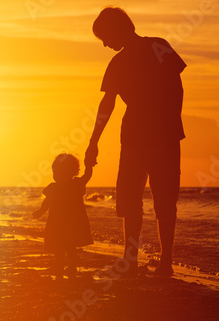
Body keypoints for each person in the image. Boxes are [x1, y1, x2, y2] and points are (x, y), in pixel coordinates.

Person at [85, 7, 186, 277]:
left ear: (119, 28)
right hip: (132, 137)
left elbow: (177, 86)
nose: (105, 44)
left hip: (163, 136)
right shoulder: (117, 63)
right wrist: (93, 141)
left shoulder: (158, 46)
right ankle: (130, 259)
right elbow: (106, 105)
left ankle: (166, 261)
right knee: (131, 200)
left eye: (105, 37)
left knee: (164, 199)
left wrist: (170, 122)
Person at [33, 153, 94, 280]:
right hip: (58, 223)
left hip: (68, 223)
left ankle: (70, 268)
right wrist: (40, 211)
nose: (55, 174)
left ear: (71, 172)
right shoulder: (55, 187)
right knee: (60, 247)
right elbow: (47, 202)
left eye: (58, 171)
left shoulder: (76, 184)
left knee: (69, 247)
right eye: (54, 171)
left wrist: (89, 164)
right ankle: (61, 268)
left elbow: (87, 176)